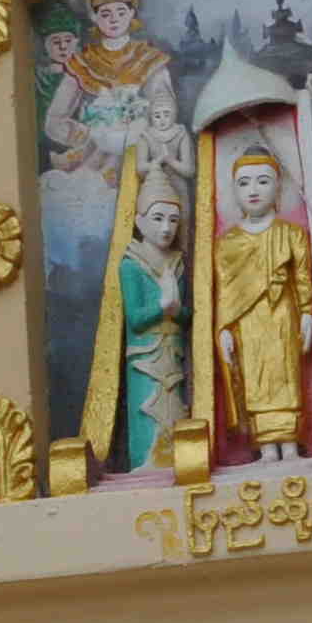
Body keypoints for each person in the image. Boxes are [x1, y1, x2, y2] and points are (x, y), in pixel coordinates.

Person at [209, 139, 312, 454]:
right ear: (234, 190)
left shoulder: (291, 234)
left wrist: (307, 313)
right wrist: (223, 329)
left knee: (287, 374)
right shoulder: (227, 243)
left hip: (284, 315)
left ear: (278, 187)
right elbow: (225, 291)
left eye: (263, 181)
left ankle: (290, 444)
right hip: (246, 322)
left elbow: (303, 278)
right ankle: (267, 447)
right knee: (255, 378)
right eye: (244, 183)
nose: (253, 190)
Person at [43, 0, 181, 183]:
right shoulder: (81, 64)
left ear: (132, 13)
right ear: (94, 17)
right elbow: (54, 121)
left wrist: (138, 132)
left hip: (142, 154)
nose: (114, 20)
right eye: (105, 13)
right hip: (93, 158)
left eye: (120, 12)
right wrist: (90, 135)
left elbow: (165, 109)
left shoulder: (149, 59)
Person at [109, 174, 193, 474]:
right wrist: (163, 307)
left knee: (175, 412)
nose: (166, 228)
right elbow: (135, 319)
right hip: (145, 355)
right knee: (149, 412)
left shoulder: (177, 263)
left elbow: (186, 316)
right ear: (139, 221)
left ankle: (175, 462)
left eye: (173, 220)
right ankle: (146, 464)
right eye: (158, 218)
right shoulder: (131, 264)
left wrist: (176, 309)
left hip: (173, 351)